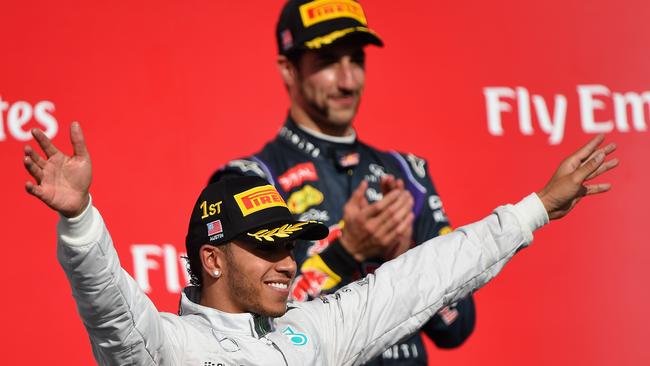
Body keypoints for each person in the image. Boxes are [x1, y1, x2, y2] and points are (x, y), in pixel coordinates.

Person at [23, 123, 617, 365]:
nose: (287, 264)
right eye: (267, 249)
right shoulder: (166, 348)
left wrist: (533, 209)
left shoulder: (309, 334)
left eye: (290, 247)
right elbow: (109, 306)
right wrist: (79, 222)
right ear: (212, 258)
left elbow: (422, 278)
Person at [210, 1, 475, 363]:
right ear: (289, 70)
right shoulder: (251, 180)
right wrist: (343, 253)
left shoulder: (407, 173)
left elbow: (457, 327)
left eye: (356, 60)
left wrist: (406, 256)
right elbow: (250, 334)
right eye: (329, 62)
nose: (348, 80)